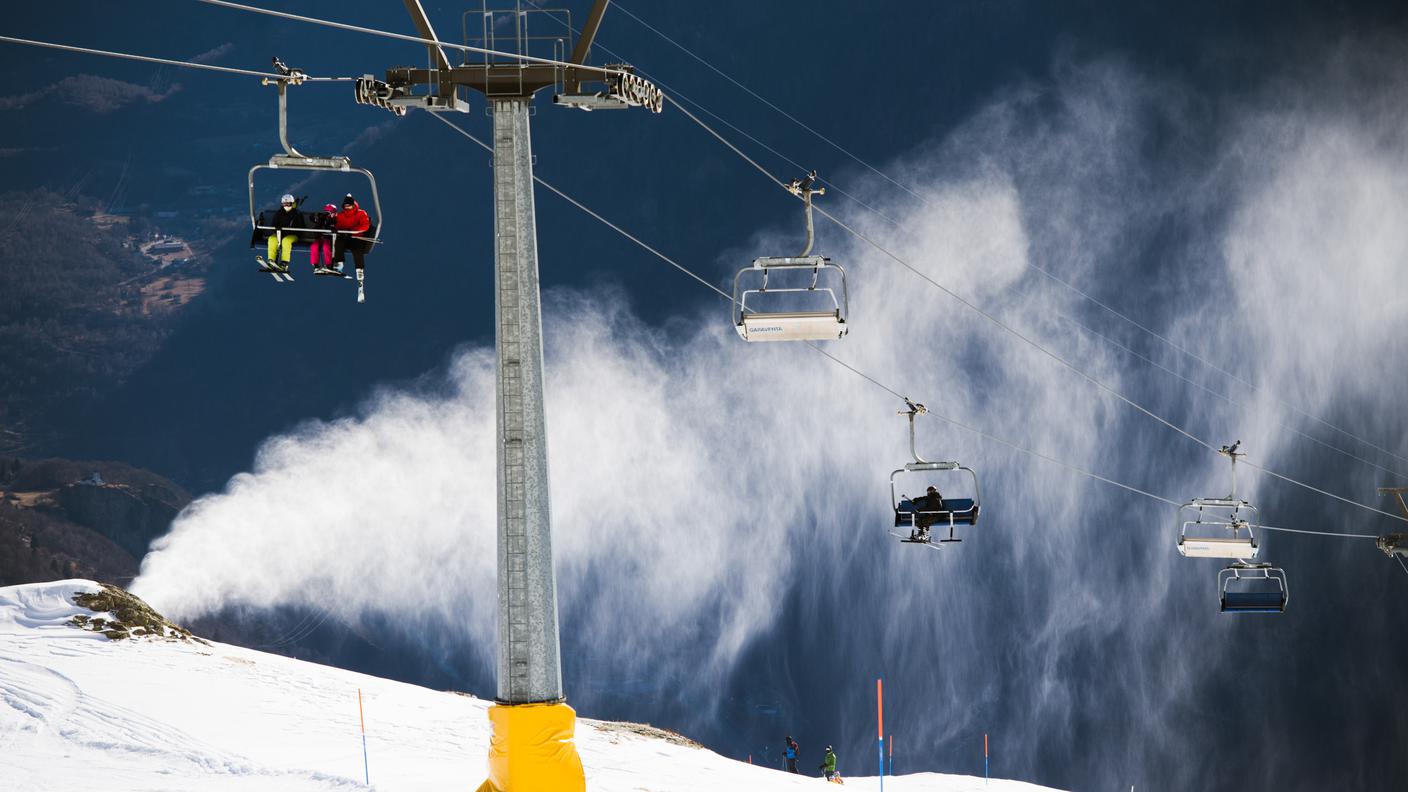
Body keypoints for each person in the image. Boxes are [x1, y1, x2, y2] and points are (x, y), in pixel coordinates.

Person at [331, 193, 371, 274]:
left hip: (355, 237)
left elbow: (365, 225)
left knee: (357, 249)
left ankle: (359, 269)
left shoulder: (361, 213)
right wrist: (335, 229)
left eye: (349, 206)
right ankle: (339, 264)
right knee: (338, 243)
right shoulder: (341, 215)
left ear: (353, 205)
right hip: (345, 237)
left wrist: (353, 230)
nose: (347, 207)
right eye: (346, 206)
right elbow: (338, 226)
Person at [265, 194, 304, 271]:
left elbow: (301, 227)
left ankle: (284, 263)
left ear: (292, 204)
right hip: (280, 234)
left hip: (293, 235)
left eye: (288, 204)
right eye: (284, 204)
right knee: (272, 239)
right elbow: (274, 224)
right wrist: (276, 229)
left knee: (286, 241)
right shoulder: (279, 213)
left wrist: (290, 230)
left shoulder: (297, 213)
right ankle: (271, 261)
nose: (286, 206)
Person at [309, 203, 337, 270]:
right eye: (326, 212)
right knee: (314, 246)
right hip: (319, 237)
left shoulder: (335, 220)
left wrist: (333, 227)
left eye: (330, 213)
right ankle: (315, 265)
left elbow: (337, 227)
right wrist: (317, 216)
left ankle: (328, 264)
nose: (329, 214)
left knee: (326, 247)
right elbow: (312, 218)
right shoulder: (322, 218)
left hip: (328, 239)